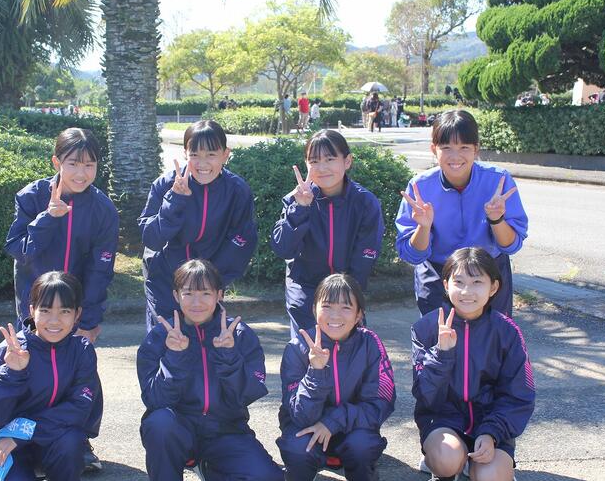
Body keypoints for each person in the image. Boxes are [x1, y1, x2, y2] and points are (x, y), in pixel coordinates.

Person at [4, 127, 118, 471]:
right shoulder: (32, 197)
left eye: (89, 165)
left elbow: (100, 270)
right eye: (73, 164)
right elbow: (19, 250)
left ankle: (79, 442)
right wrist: (48, 218)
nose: (81, 173)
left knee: (80, 375)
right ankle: (27, 442)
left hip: (75, 311)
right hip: (36, 308)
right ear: (56, 162)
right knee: (33, 373)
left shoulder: (102, 208)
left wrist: (89, 320)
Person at [137, 259, 285, 481]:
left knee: (266, 477)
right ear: (176, 295)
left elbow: (247, 394)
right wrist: (175, 357)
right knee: (159, 424)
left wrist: (228, 356)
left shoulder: (239, 334)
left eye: (205, 293)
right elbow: (155, 399)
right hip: (179, 427)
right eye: (188, 293)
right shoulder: (161, 336)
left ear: (219, 294)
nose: (197, 302)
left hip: (225, 428)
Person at [411, 247, 534, 481]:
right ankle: (444, 476)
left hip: (490, 421)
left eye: (477, 282)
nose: (467, 291)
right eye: (459, 282)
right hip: (444, 420)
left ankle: (497, 470)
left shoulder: (507, 331)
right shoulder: (426, 328)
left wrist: (491, 432)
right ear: (446, 285)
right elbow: (425, 396)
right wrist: (442, 354)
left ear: (493, 287)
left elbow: (519, 395)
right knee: (446, 459)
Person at [0, 271, 100, 481]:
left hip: (50, 440)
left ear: (77, 314)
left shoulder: (81, 351)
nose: (54, 320)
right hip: (4, 444)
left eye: (65, 311)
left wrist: (23, 433)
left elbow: (79, 408)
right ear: (32, 310)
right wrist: (12, 373)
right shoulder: (7, 352)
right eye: (46, 310)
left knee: (71, 441)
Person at [395, 110, 528, 317]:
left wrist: (497, 220)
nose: (455, 156)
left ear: (476, 149)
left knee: (493, 336)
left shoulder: (498, 181)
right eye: (446, 148)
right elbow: (412, 254)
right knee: (439, 336)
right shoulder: (420, 187)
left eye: (464, 147)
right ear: (434, 149)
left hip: (488, 275)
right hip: (438, 275)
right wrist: (423, 226)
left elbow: (511, 246)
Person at [277, 273, 395, 481]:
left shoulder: (370, 343)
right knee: (296, 447)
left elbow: (380, 403)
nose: (335, 316)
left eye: (346, 307)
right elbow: (300, 416)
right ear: (314, 309)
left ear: (359, 314)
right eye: (327, 306)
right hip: (309, 427)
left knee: (363, 446)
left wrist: (333, 421)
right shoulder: (297, 348)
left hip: (353, 427)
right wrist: (316, 371)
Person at [138, 119, 258, 332]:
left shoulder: (237, 190)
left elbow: (242, 241)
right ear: (185, 153)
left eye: (211, 154)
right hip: (164, 280)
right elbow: (151, 238)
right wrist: (174, 200)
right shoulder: (165, 185)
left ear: (225, 154)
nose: (202, 164)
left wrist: (212, 281)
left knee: (205, 342)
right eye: (195, 155)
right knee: (165, 339)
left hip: (208, 286)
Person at [271, 129, 384, 338]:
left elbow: (365, 255)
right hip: (304, 290)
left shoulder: (365, 202)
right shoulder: (296, 199)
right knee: (307, 349)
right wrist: (299, 209)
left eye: (330, 159)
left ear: (347, 161)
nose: (322, 168)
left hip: (347, 290)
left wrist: (348, 297)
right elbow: (283, 248)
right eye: (314, 161)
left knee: (350, 349)